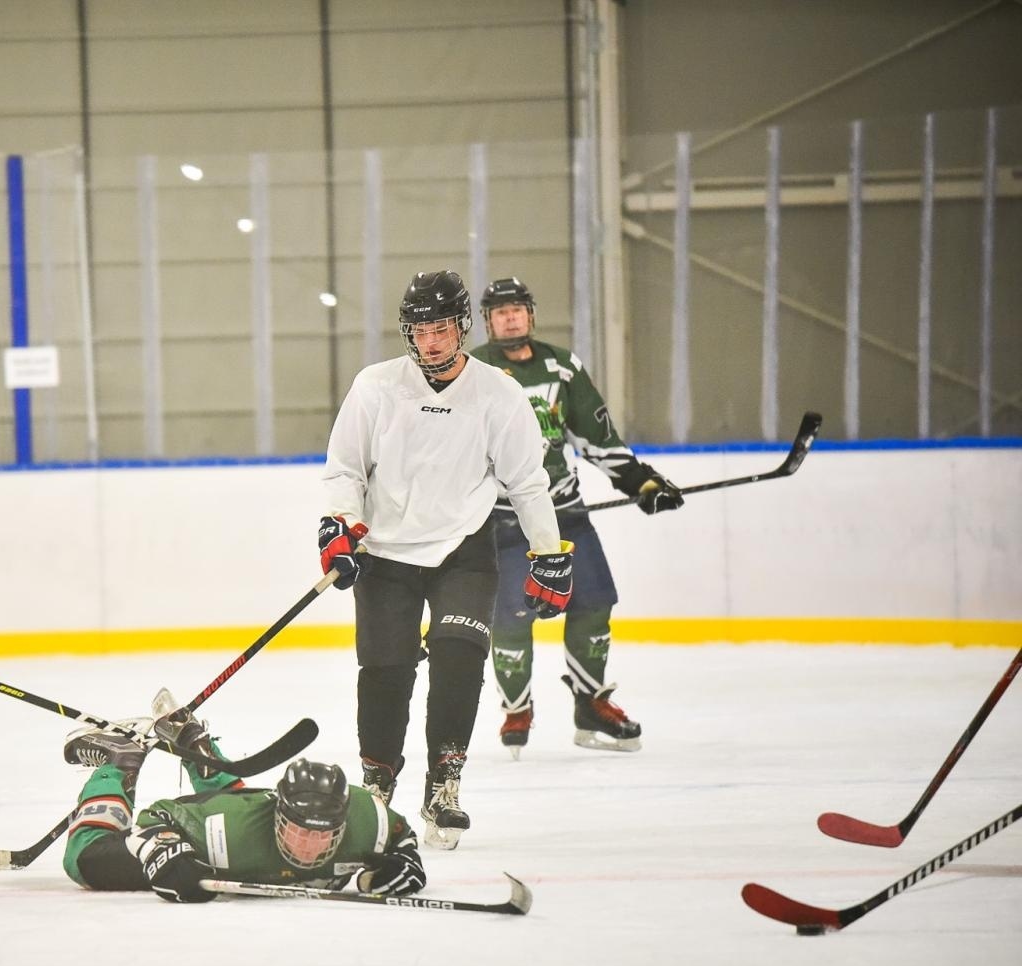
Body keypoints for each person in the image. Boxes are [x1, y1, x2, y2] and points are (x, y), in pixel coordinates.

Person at [320, 270, 572, 850]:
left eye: (440, 328)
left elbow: (528, 482)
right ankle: (377, 789)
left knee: (459, 662)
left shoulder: (497, 393)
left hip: (464, 550)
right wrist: (339, 525)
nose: (430, 342)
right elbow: (345, 468)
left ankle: (444, 784)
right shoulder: (376, 386)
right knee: (386, 671)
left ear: (461, 327)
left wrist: (548, 553)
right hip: (385, 552)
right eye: (419, 330)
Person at [469, 277, 684, 759]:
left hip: (564, 510)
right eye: (499, 311)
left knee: (593, 601)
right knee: (510, 618)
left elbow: (597, 435)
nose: (509, 317)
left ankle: (590, 703)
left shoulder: (562, 368)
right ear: (486, 320)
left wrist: (640, 481)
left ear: (531, 313)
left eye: (517, 309)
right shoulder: (474, 371)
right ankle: (516, 708)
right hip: (501, 519)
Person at [58, 690, 427, 903]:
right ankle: (118, 761)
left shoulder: (367, 820)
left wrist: (405, 862)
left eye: (321, 835)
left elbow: (401, 837)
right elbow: (158, 817)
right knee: (87, 860)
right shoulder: (225, 827)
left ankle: (191, 742)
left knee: (232, 813)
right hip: (205, 838)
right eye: (300, 830)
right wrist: (164, 851)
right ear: (280, 815)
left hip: (235, 828)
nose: (308, 847)